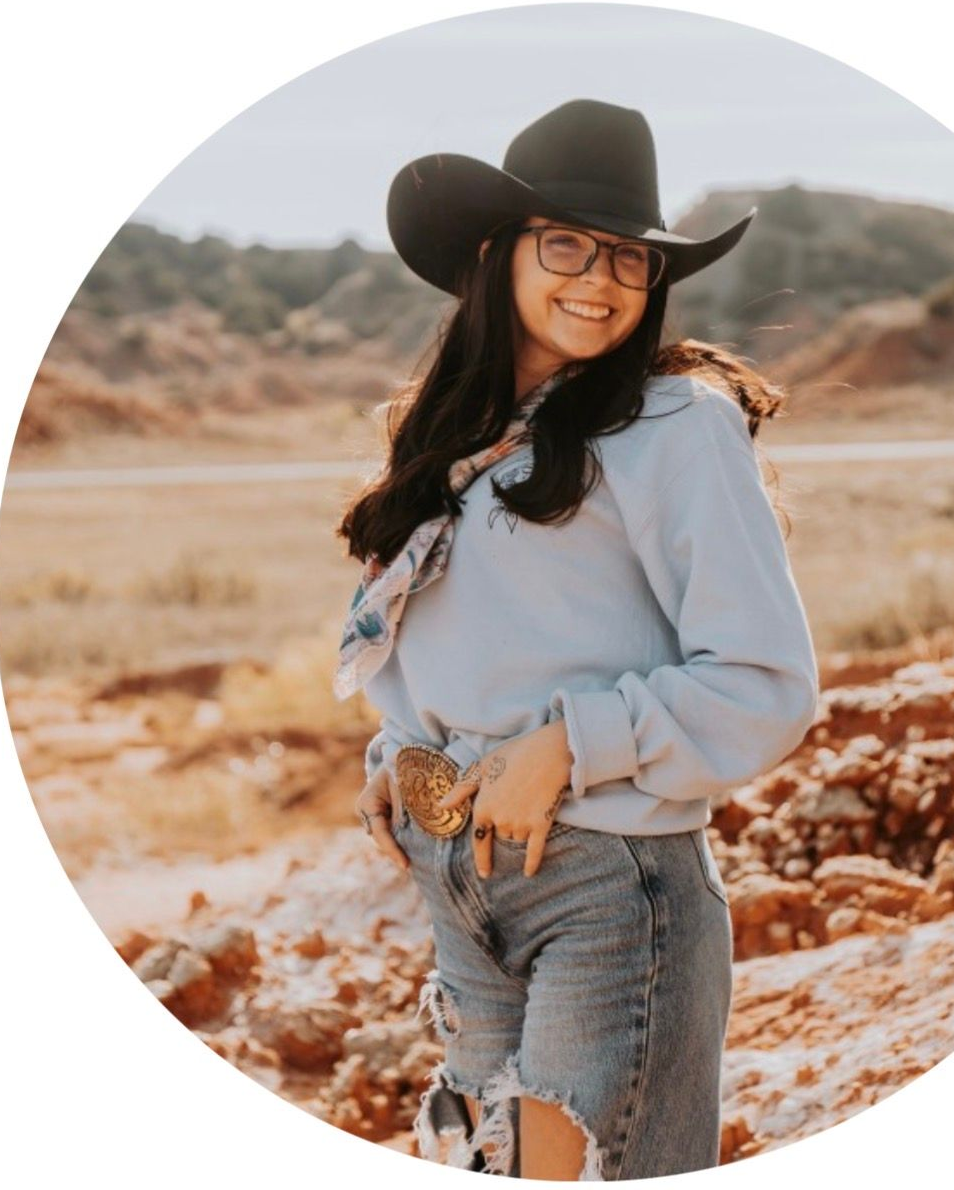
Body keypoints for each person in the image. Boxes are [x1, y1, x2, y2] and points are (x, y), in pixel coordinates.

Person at [333, 99, 819, 1180]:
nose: (598, 281)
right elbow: (466, 644)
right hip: (461, 878)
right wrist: (397, 747)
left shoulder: (673, 423)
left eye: (629, 258)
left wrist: (568, 744)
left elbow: (766, 683)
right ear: (495, 253)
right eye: (566, 244)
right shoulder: (447, 436)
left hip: (608, 882)